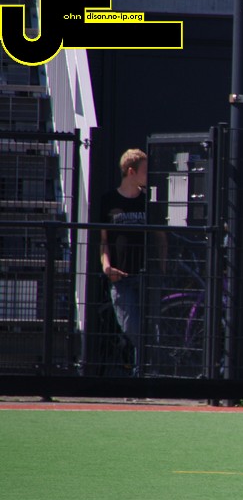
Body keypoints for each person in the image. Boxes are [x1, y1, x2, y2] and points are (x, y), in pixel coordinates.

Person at [99, 148, 164, 373]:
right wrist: (107, 267)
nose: (149, 176)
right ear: (131, 171)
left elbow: (161, 236)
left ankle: (144, 375)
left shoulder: (148, 202)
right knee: (132, 327)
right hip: (122, 277)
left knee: (152, 328)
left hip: (147, 276)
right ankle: (145, 373)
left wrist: (162, 267)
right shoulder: (108, 201)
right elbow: (103, 240)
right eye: (145, 171)